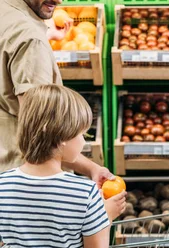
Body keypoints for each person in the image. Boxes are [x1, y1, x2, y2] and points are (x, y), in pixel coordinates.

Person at [0, 85, 127, 248]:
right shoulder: (85, 192)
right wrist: (107, 215)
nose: (84, 140)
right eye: (82, 134)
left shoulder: (2, 186)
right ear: (61, 138)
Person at [0, 0, 113, 189]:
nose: (59, 0)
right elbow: (43, 132)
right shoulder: (29, 39)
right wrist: (92, 168)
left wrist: (47, 35)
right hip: (31, 183)